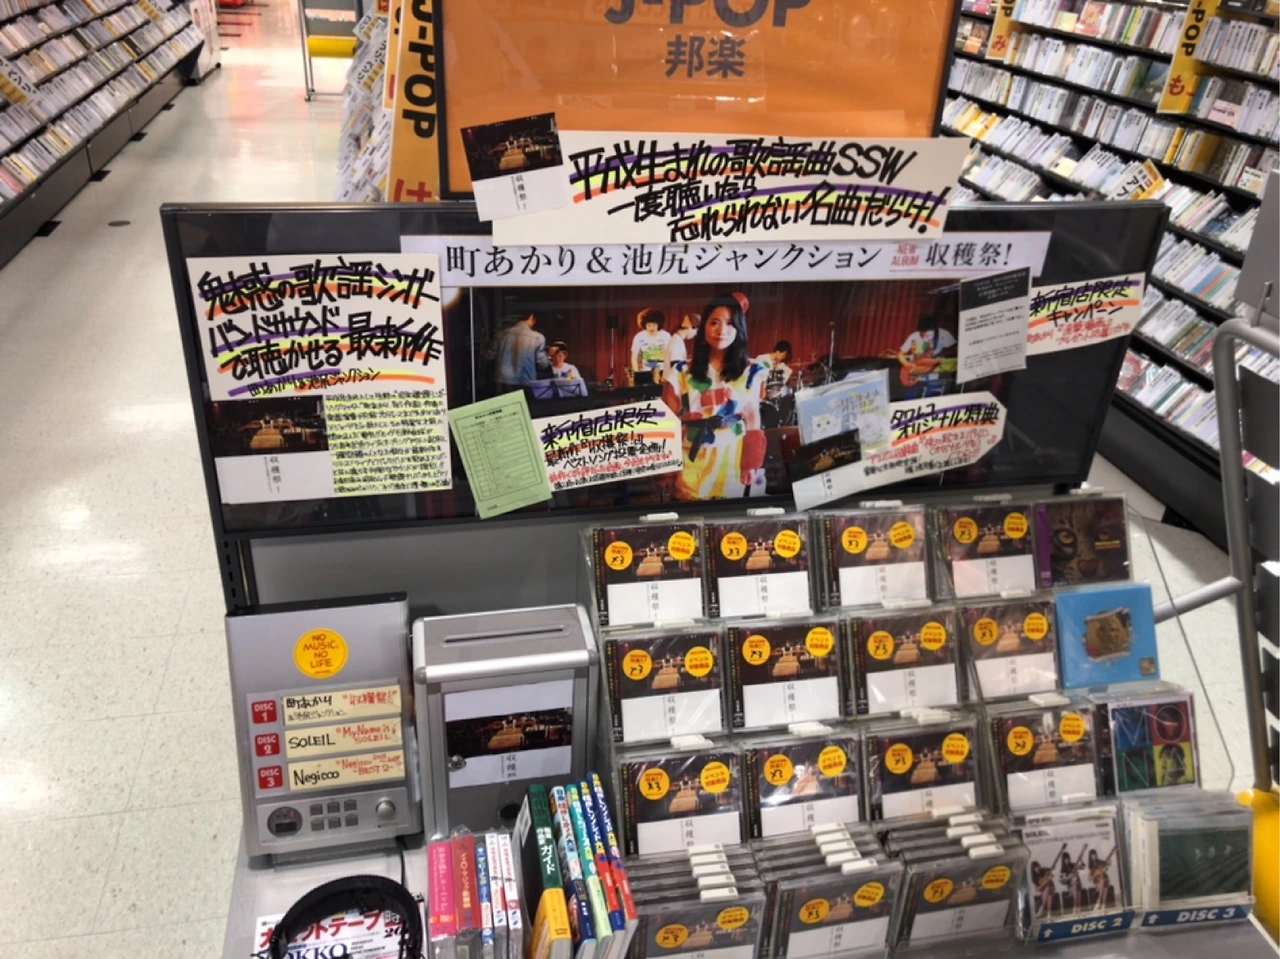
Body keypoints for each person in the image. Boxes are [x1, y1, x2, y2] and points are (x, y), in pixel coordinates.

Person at [663, 292, 767, 500]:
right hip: (691, 460)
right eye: (714, 323)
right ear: (704, 327)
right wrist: (667, 470)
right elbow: (668, 422)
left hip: (731, 460)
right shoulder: (680, 372)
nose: (722, 331)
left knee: (726, 517)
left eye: (730, 324)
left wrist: (750, 463)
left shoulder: (751, 372)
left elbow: (752, 417)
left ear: (739, 328)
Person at [495, 313, 548, 391]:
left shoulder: (501, 335)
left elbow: (489, 355)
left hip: (503, 380)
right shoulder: (537, 337)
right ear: (531, 317)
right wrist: (549, 360)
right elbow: (542, 363)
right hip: (525, 380)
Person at [631, 309, 671, 380]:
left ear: (658, 324)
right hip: (646, 371)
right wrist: (637, 373)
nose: (651, 328)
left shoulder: (666, 336)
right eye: (649, 325)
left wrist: (668, 372)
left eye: (654, 325)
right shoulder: (639, 337)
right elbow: (634, 357)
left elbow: (670, 355)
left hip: (663, 371)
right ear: (644, 325)